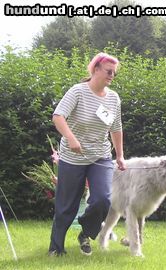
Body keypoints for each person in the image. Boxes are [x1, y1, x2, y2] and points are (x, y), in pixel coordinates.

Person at [48, 52, 126, 256]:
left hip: (100, 156)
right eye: (109, 71)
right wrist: (71, 139)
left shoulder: (114, 98)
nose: (111, 76)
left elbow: (116, 128)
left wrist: (119, 155)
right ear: (96, 69)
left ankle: (85, 231)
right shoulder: (78, 92)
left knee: (103, 199)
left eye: (114, 74)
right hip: (72, 157)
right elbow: (58, 117)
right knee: (67, 205)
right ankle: (56, 248)